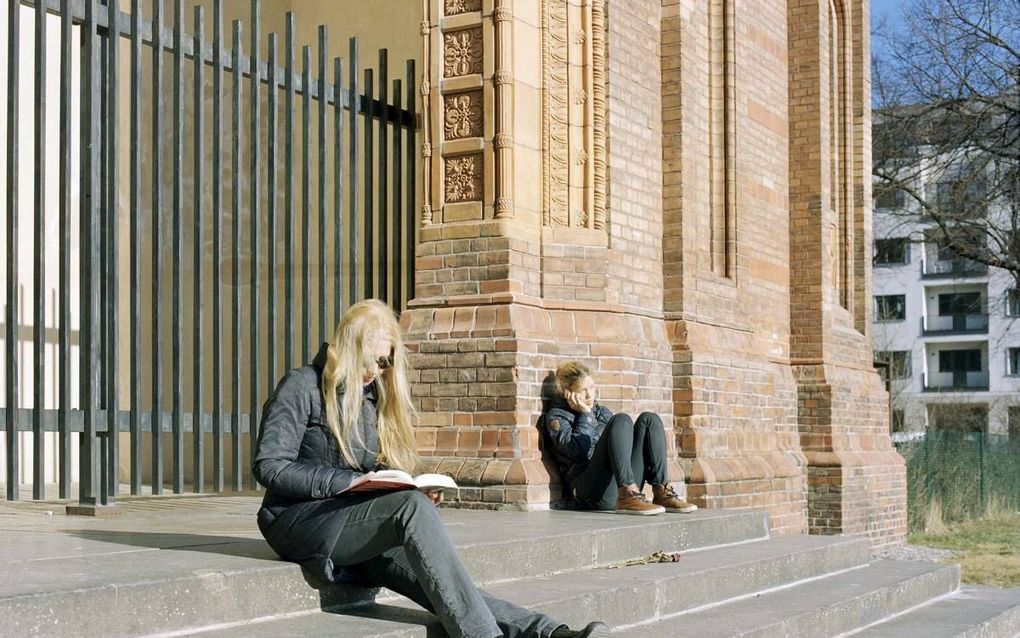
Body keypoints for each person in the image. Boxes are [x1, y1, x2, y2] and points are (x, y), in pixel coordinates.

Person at [253, 299, 608, 638]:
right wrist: (349, 482)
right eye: (374, 360)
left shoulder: (372, 398)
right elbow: (269, 465)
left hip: (349, 523)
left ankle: (549, 632)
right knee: (413, 513)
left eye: (386, 363)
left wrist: (406, 486)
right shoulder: (301, 385)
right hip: (297, 521)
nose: (377, 371)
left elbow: (377, 471)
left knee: (451, 585)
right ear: (348, 347)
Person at [541, 361, 697, 516]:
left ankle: (661, 491)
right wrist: (586, 415)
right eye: (583, 390)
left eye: (592, 387)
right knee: (621, 419)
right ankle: (627, 492)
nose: (589, 395)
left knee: (649, 419)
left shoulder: (602, 412)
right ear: (568, 392)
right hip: (590, 493)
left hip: (614, 486)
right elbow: (578, 453)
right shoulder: (557, 416)